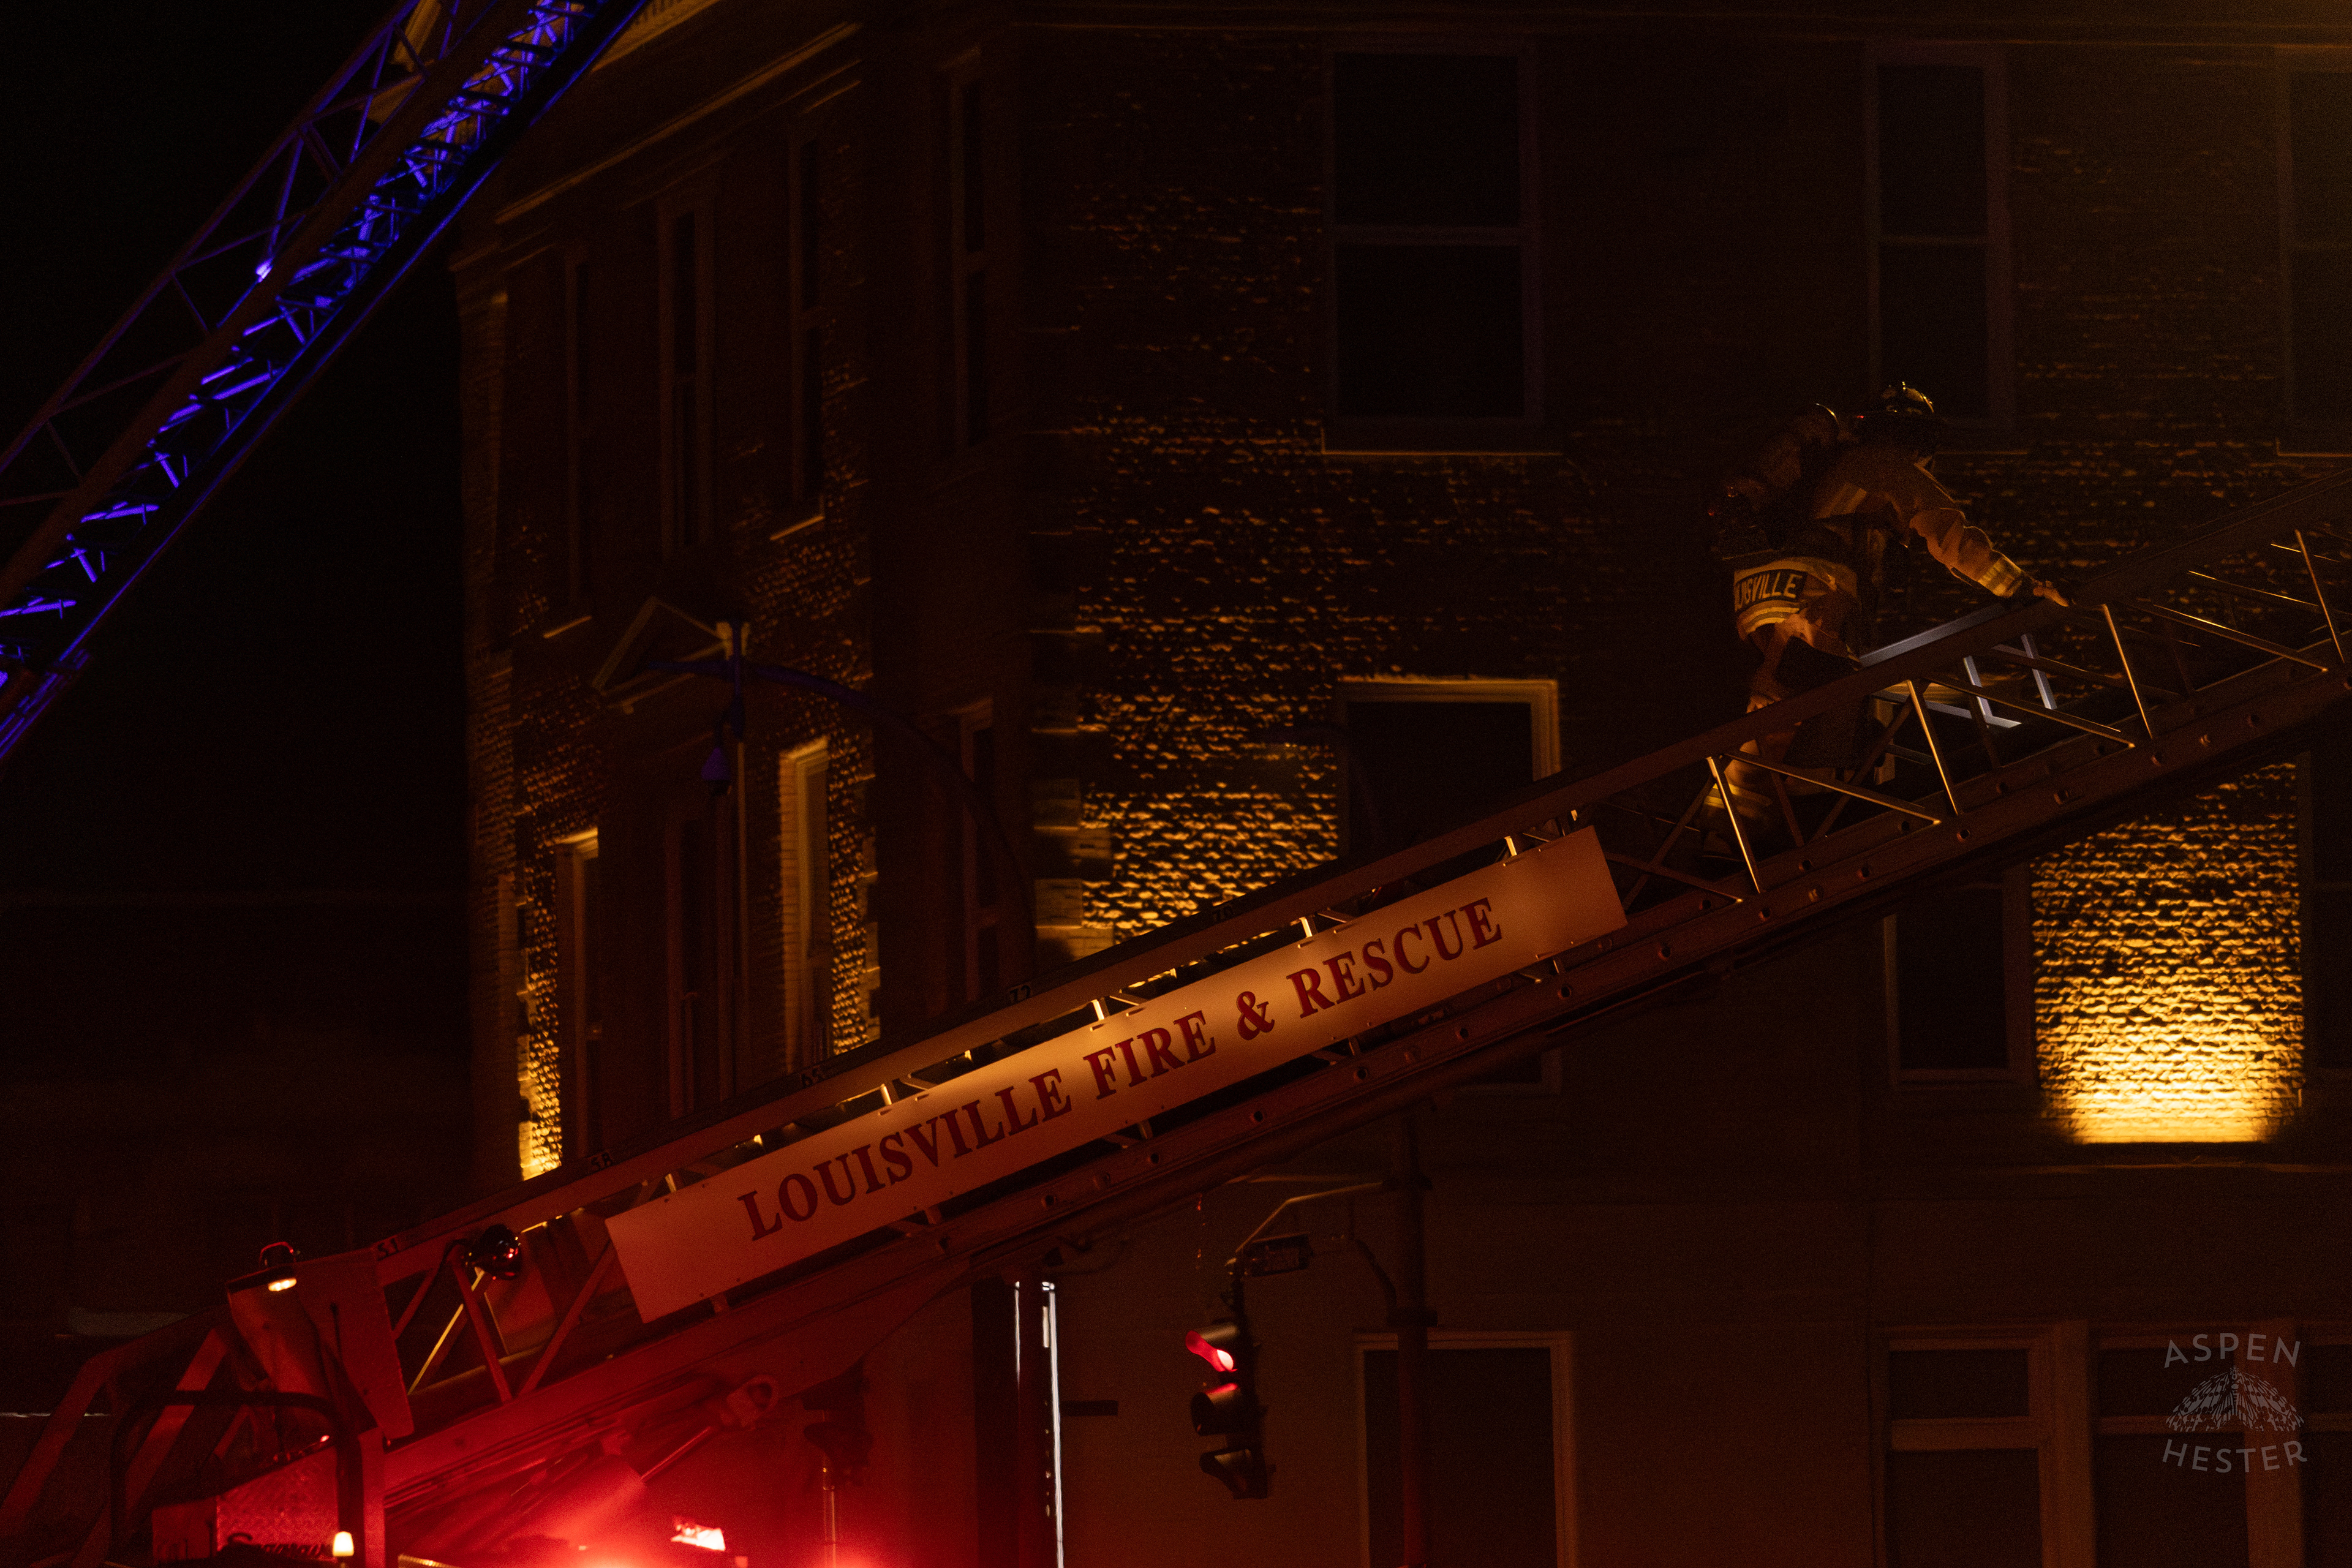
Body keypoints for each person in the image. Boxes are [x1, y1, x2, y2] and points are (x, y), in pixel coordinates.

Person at [1717, 384, 2070, 830]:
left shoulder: (1830, 466)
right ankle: (1784, 821)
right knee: (1818, 705)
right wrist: (2022, 587)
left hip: (1757, 595)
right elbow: (1949, 534)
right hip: (1812, 598)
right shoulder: (1887, 466)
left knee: (1773, 706)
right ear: (1918, 438)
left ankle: (1725, 825)